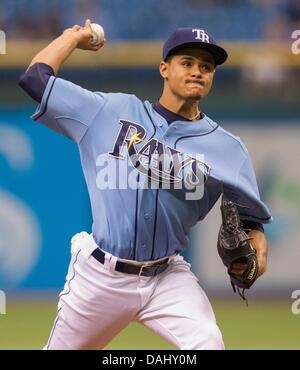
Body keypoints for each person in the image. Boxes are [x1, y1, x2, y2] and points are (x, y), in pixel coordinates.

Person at [19, 20, 271, 350]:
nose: (197, 71)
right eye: (188, 63)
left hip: (166, 277)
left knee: (208, 342)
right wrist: (72, 37)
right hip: (100, 276)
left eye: (206, 66)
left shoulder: (229, 149)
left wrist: (255, 255)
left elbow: (252, 226)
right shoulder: (109, 111)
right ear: (164, 68)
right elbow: (35, 80)